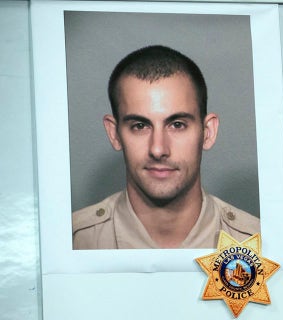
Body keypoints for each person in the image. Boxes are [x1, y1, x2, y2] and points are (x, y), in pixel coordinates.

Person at [73, 45, 260, 249]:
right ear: (114, 133)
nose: (158, 149)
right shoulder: (72, 242)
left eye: (177, 125)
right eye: (140, 126)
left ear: (208, 132)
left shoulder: (256, 246)